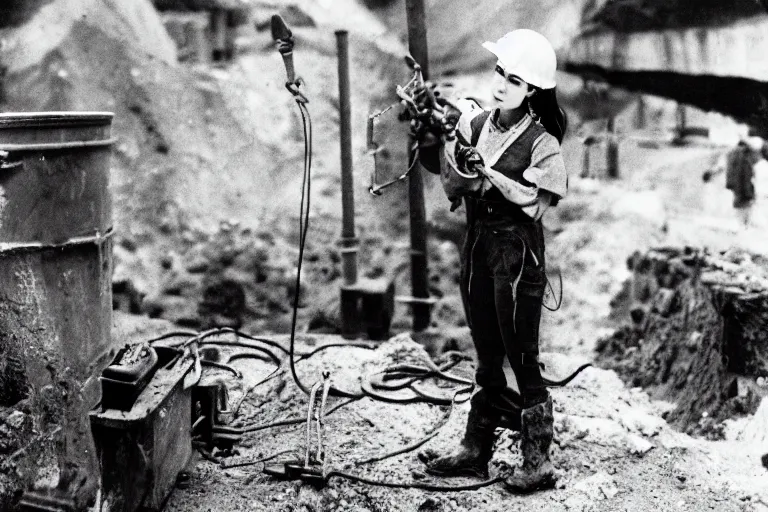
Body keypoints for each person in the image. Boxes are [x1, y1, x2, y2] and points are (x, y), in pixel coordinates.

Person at [412, 29, 568, 493]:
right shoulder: (475, 125)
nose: (501, 85)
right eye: (500, 73)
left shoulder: (543, 144)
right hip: (478, 247)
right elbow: (451, 182)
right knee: (485, 349)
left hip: (517, 256)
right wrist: (430, 138)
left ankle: (536, 459)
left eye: (514, 80)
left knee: (521, 354)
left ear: (532, 90)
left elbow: (534, 203)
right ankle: (475, 449)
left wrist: (490, 174)